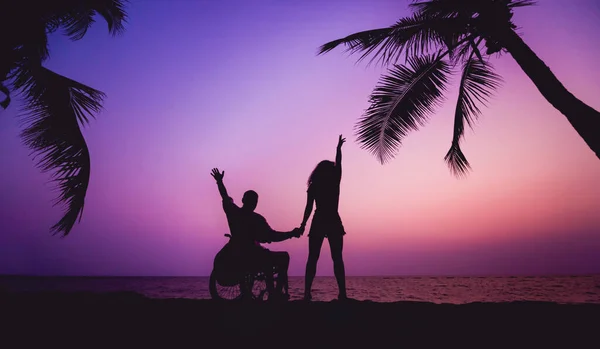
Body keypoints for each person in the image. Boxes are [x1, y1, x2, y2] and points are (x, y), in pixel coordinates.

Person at [210, 168, 301, 300]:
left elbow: (225, 196)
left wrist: (219, 182)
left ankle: (271, 293)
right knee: (282, 257)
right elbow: (272, 236)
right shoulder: (257, 219)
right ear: (255, 203)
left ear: (242, 199)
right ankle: (274, 292)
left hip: (239, 256)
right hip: (252, 257)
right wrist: (291, 234)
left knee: (265, 257)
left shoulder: (234, 213)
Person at [299, 135, 349, 301]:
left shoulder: (316, 185)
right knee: (337, 258)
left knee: (313, 258)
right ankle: (342, 293)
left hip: (320, 220)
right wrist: (338, 150)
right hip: (332, 220)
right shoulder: (334, 181)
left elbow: (308, 208)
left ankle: (307, 293)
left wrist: (303, 224)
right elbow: (339, 164)